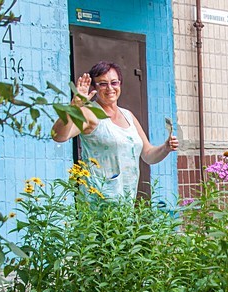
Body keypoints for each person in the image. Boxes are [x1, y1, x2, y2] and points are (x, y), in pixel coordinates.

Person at [51, 61, 178, 200]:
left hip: (125, 203)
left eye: (114, 83)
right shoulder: (89, 113)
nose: (110, 88)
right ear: (94, 88)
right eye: (103, 84)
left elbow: (148, 155)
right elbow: (59, 136)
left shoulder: (128, 115)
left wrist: (165, 148)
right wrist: (73, 107)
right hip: (97, 202)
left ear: (120, 84)